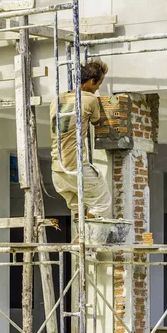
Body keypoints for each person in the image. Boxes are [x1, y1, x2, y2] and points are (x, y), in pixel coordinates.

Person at [49, 59, 112, 225]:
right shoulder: (90, 100)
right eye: (99, 83)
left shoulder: (57, 100)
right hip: (75, 168)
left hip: (57, 170)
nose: (98, 88)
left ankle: (81, 240)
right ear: (92, 81)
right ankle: (84, 237)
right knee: (102, 201)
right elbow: (97, 122)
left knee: (78, 208)